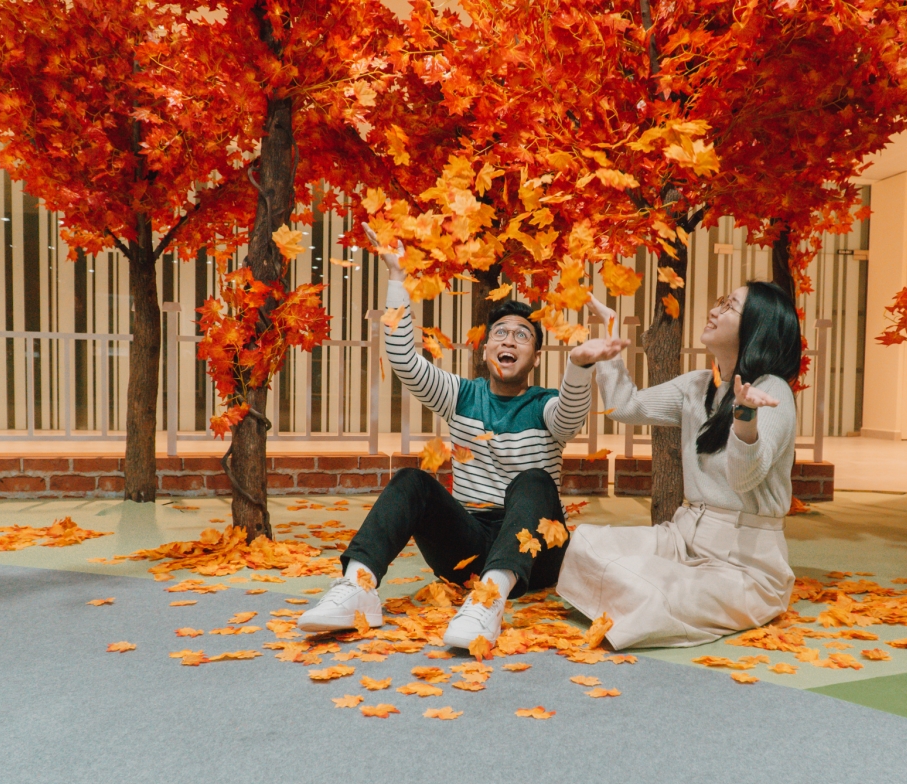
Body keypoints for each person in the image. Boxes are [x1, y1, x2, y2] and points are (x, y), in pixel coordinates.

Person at [298, 227, 628, 647]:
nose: (509, 340)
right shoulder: (461, 396)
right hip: (466, 545)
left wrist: (579, 366)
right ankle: (358, 586)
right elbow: (404, 360)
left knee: (534, 481)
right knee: (411, 481)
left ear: (536, 357)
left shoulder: (544, 405)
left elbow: (569, 417)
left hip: (534, 556)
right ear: (486, 349)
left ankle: (489, 600)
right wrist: (397, 277)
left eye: (522, 335)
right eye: (500, 333)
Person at [557, 282, 802, 650]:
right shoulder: (698, 385)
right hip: (681, 539)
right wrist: (608, 335)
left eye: (730, 306)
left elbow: (743, 478)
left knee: (653, 591)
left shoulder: (773, 390)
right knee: (584, 544)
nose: (715, 310)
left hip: (742, 567)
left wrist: (745, 417)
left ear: (757, 326)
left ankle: (650, 597)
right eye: (721, 301)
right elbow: (626, 406)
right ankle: (646, 594)